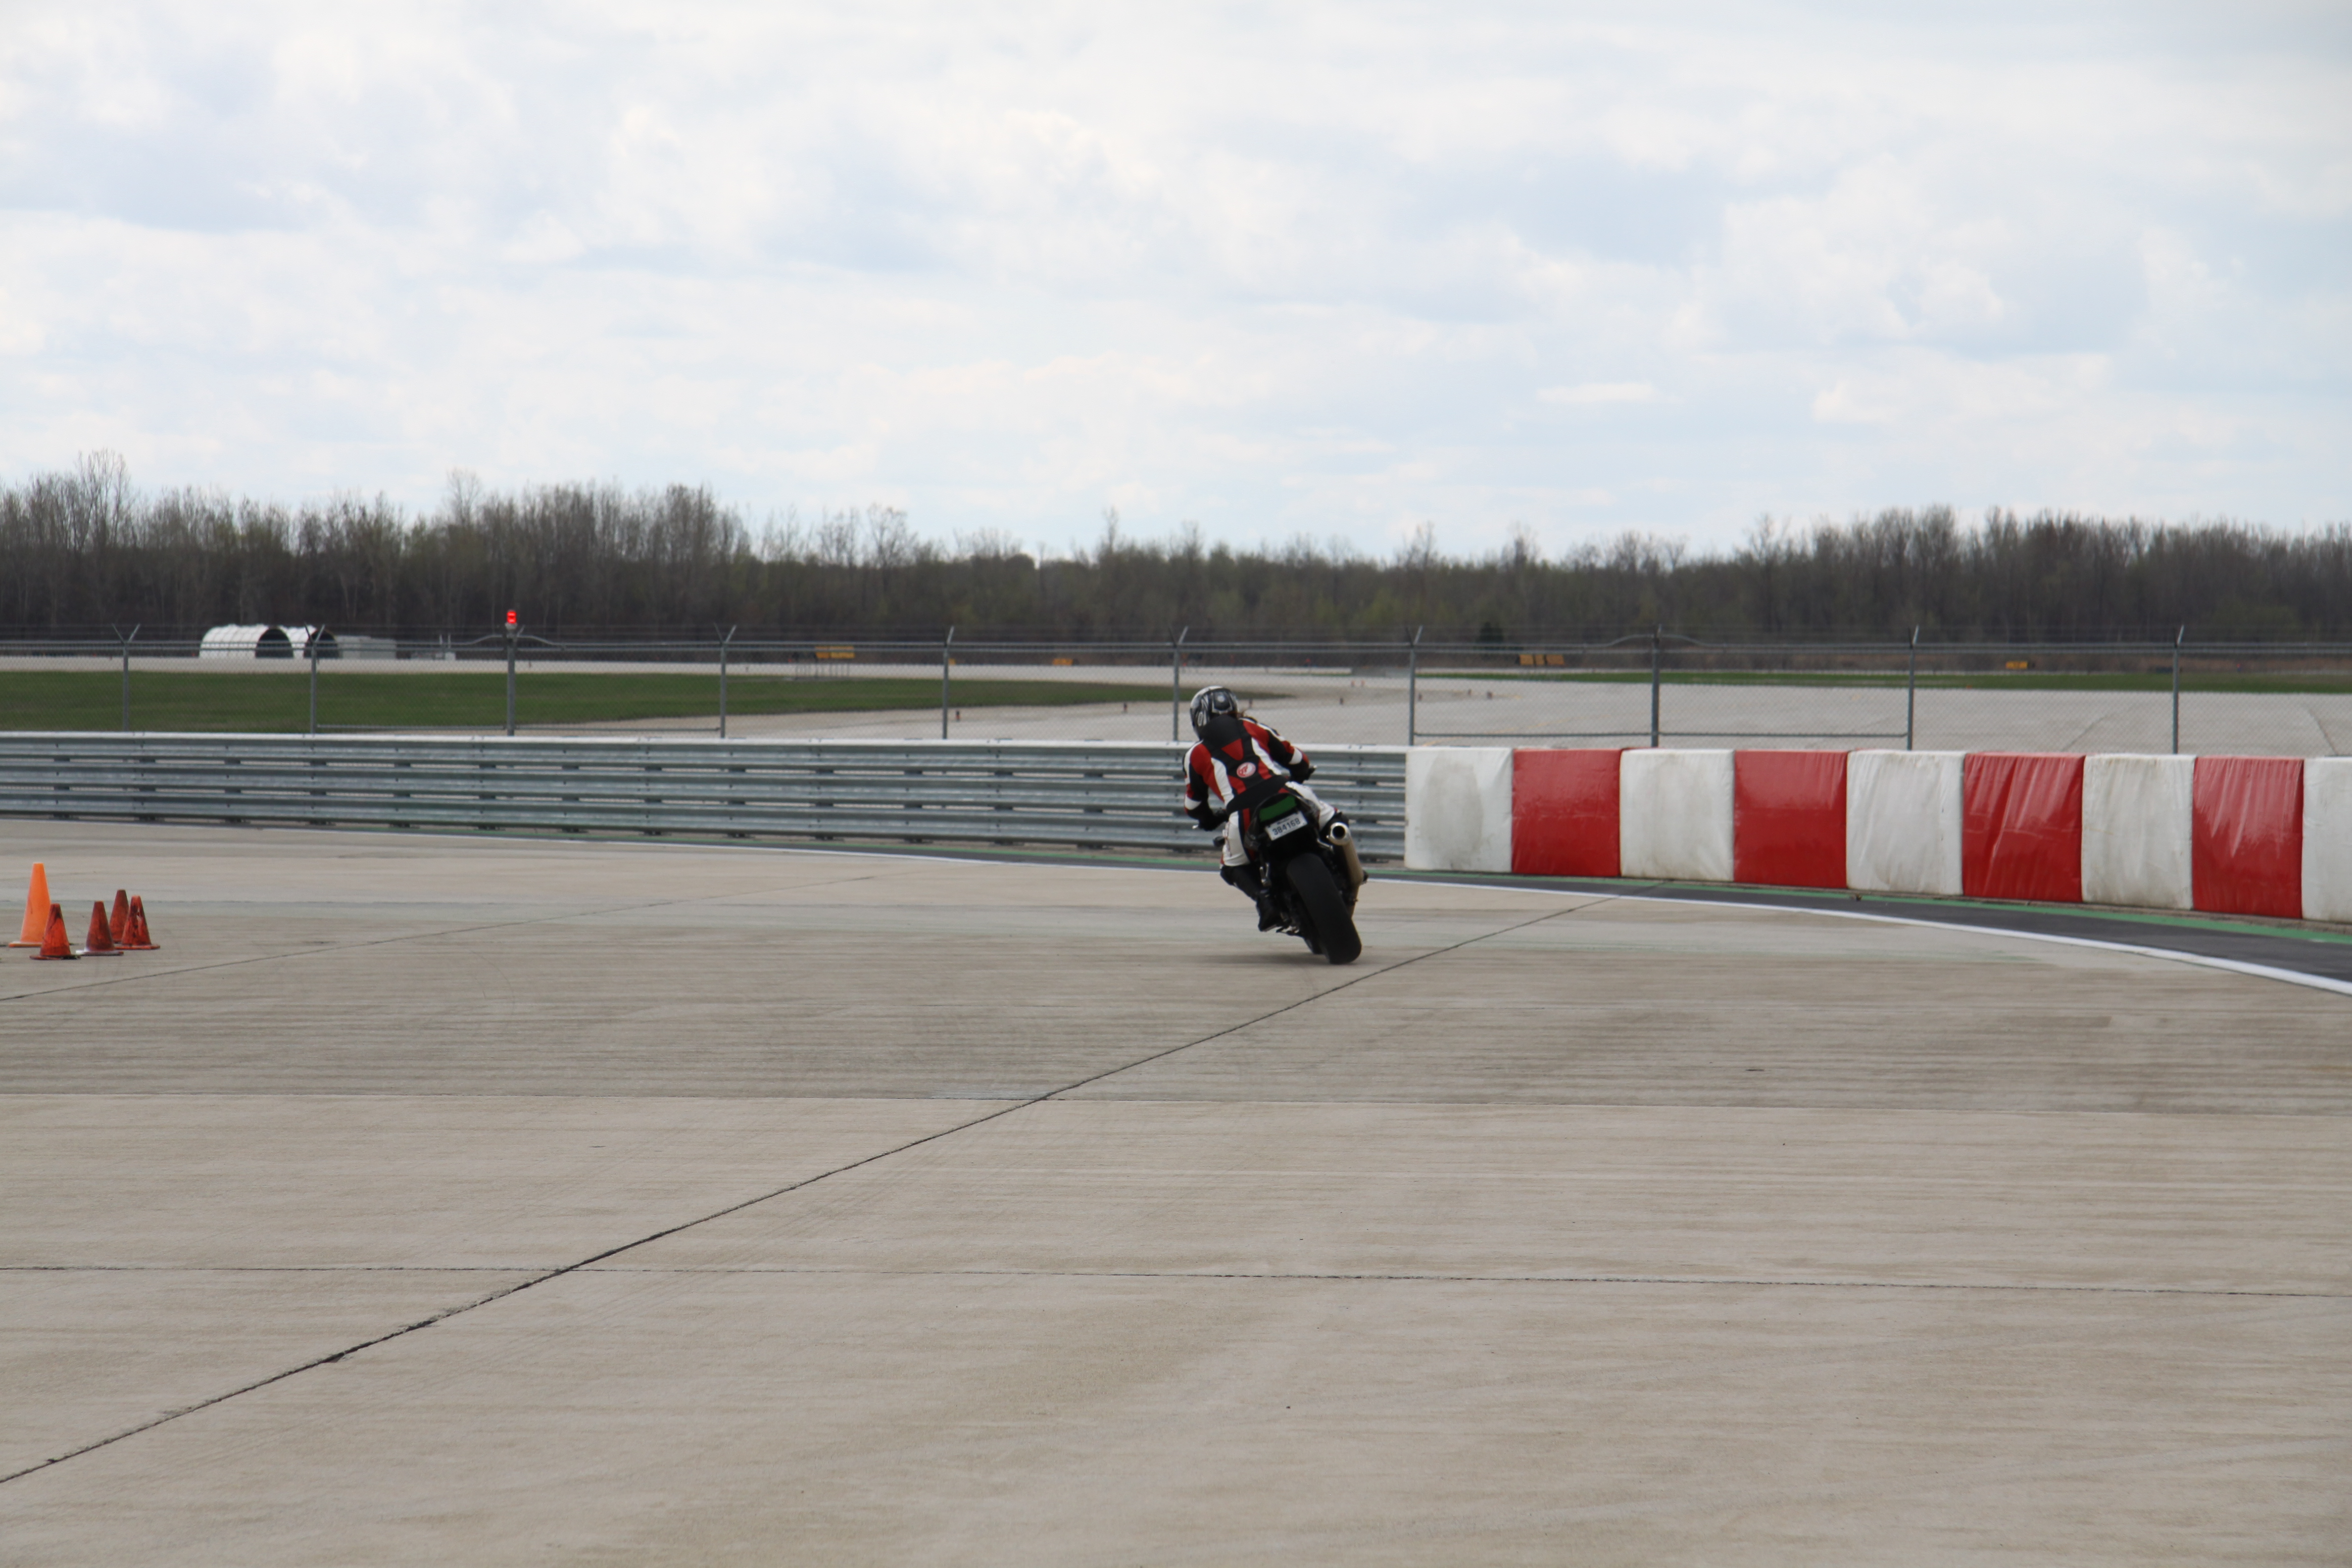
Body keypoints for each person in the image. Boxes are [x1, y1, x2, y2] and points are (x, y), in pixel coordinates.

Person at [1181, 686, 1336, 930]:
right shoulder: (1253, 727)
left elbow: (1193, 805)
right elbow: (1298, 759)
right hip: (1284, 792)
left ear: (1199, 718)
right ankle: (1347, 863)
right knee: (1334, 820)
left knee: (1230, 865)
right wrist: (1300, 775)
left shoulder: (1195, 754)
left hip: (1243, 813)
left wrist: (1208, 819)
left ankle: (1265, 900)